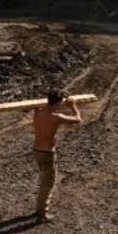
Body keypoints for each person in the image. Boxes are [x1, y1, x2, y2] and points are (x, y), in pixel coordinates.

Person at [32, 88, 82, 222]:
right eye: (60, 104)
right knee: (48, 184)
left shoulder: (37, 112)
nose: (61, 106)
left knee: (44, 181)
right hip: (47, 153)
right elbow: (77, 119)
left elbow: (44, 107)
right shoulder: (56, 117)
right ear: (56, 103)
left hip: (36, 151)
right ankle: (41, 213)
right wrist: (73, 106)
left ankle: (39, 208)